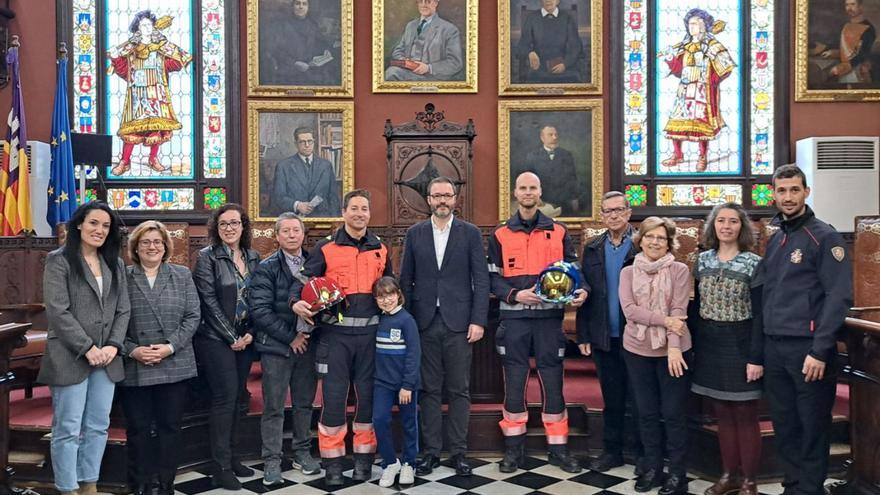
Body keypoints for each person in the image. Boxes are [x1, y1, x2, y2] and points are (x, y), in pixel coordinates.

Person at [759, 164, 852, 495]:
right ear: (773, 194)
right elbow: (768, 293)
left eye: (794, 190)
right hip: (775, 346)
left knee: (812, 426)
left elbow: (838, 297)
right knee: (785, 425)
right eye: (781, 190)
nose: (787, 197)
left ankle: (810, 490)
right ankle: (793, 485)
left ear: (806, 192)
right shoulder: (777, 237)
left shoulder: (824, 237)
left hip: (808, 349)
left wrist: (819, 349)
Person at [291, 189, 394, 486]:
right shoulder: (325, 248)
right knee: (334, 400)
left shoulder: (381, 249)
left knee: (367, 402)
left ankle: (364, 462)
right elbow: (300, 285)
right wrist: (294, 302)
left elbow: (392, 289)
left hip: (371, 338)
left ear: (369, 214)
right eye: (354, 208)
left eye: (364, 208)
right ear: (344, 212)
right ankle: (333, 464)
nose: (359, 213)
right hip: (334, 339)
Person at [488, 172, 587, 474]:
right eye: (523, 188)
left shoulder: (558, 231)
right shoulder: (500, 234)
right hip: (514, 320)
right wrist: (517, 294)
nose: (528, 192)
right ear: (515, 193)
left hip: (548, 320)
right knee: (514, 386)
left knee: (553, 384)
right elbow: (492, 277)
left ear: (540, 193)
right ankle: (513, 452)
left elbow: (573, 270)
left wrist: (581, 290)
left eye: (533, 188)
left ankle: (559, 450)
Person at [398, 176, 490, 477]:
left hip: (460, 324)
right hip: (423, 323)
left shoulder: (471, 233)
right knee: (429, 390)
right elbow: (405, 281)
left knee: (460, 389)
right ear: (428, 199)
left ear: (455, 199)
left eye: (447, 195)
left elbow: (482, 279)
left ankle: (459, 452)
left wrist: (478, 320)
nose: (442, 201)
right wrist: (407, 323)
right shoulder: (415, 233)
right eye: (437, 196)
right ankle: (431, 452)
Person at [38, 201, 131, 495]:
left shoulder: (114, 262)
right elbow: (57, 311)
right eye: (94, 223)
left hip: (107, 358)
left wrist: (114, 346)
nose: (100, 230)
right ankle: (67, 488)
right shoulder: (59, 260)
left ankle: (89, 483)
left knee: (98, 426)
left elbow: (123, 310)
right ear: (79, 224)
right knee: (67, 429)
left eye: (105, 226)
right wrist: (87, 346)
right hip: (70, 356)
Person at [119, 220, 201, 495]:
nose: (152, 247)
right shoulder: (122, 277)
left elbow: (193, 317)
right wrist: (131, 349)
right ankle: (141, 482)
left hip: (174, 363)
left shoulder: (181, 275)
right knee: (138, 428)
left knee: (170, 427)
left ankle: (165, 482)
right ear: (136, 247)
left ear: (166, 246)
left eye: (157, 242)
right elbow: (111, 321)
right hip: (135, 363)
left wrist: (169, 347)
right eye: (146, 242)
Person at [691, 203, 764, 495]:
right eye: (721, 220)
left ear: (741, 228)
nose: (726, 226)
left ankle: (749, 479)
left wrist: (756, 356)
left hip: (741, 342)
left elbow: (760, 314)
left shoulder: (754, 263)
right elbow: (695, 307)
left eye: (733, 221)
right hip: (710, 342)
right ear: (713, 226)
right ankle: (728, 474)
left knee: (745, 413)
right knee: (721, 412)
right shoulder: (702, 261)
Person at [619, 216, 692, 495]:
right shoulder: (628, 272)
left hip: (673, 352)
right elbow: (630, 311)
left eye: (661, 238)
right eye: (650, 236)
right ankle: (652, 468)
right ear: (641, 240)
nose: (654, 242)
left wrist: (673, 346)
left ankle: (677, 474)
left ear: (668, 242)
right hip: (637, 349)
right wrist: (664, 322)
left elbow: (679, 311)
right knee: (646, 413)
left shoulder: (679, 270)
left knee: (673, 414)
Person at [192, 203, 261, 490]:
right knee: (225, 397)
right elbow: (207, 301)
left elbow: (260, 298)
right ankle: (219, 465)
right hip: (215, 339)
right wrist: (231, 336)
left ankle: (232, 457)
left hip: (245, 339)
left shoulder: (254, 257)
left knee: (239, 399)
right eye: (224, 224)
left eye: (235, 223)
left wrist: (250, 334)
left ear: (243, 226)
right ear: (216, 229)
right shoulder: (207, 257)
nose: (230, 228)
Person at [248, 212, 321, 484]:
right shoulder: (267, 267)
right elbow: (261, 311)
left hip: (308, 346)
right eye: (286, 231)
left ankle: (302, 453)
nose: (292, 235)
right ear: (277, 236)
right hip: (277, 348)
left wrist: (309, 334)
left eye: (296, 230)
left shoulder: (314, 264)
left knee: (304, 403)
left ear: (303, 234)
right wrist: (291, 337)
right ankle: (272, 460)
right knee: (274, 407)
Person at [575, 191, 643, 473]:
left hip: (637, 337)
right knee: (611, 398)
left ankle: (642, 454)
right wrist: (584, 335)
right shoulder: (592, 247)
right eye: (608, 211)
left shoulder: (642, 245)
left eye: (619, 210)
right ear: (601, 216)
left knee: (640, 399)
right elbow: (585, 292)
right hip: (604, 335)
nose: (614, 215)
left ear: (628, 212)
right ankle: (612, 451)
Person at [107, 10, 192, 175]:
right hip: (137, 94)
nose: (146, 28)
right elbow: (124, 71)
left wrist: (174, 54)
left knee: (158, 127)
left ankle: (153, 159)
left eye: (149, 25)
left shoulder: (161, 46)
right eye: (143, 25)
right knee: (132, 128)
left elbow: (173, 64)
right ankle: (125, 161)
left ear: (154, 27)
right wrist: (117, 58)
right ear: (138, 28)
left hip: (157, 91)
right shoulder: (131, 50)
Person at [660, 8, 736, 172]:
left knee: (702, 123)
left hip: (703, 91)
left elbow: (726, 67)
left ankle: (702, 157)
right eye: (689, 23)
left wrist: (711, 81)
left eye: (695, 23)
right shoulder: (685, 47)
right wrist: (670, 58)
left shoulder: (713, 46)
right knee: (676, 121)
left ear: (704, 25)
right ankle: (678, 154)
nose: (691, 26)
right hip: (685, 90)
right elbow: (679, 70)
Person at [372, 277, 421, 488]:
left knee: (409, 423)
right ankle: (391, 462)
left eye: (390, 295)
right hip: (382, 383)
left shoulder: (406, 320)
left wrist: (408, 385)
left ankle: (410, 463)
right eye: (381, 297)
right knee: (380, 420)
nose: (386, 300)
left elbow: (414, 354)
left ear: (398, 294)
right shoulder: (379, 319)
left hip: (404, 385)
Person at [260, 0, 337, 86]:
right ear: (292, 6)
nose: (301, 7)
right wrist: (294, 63)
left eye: (304, 4)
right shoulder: (282, 25)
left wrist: (326, 51)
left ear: (308, 7)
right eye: (297, 3)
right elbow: (275, 50)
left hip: (310, 70)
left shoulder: (312, 25)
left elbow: (321, 43)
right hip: (288, 71)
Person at [384, 0, 464, 81]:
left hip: (433, 77)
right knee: (390, 73)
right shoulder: (411, 26)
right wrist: (405, 60)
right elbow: (398, 51)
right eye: (420, 1)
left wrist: (428, 68)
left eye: (428, 1)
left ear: (436, 3)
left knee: (392, 73)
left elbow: (455, 63)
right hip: (407, 72)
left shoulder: (449, 29)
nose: (423, 5)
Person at [270, 126, 341, 218]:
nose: (307, 145)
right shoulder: (283, 166)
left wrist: (335, 223)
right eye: (302, 142)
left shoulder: (326, 166)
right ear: (296, 144)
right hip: (294, 220)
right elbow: (278, 197)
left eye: (310, 141)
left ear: (314, 142)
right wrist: (297, 205)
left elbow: (333, 198)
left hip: (322, 220)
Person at [515, 0, 584, 83]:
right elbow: (522, 45)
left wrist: (565, 64)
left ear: (558, 1)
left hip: (564, 68)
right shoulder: (532, 18)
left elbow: (576, 47)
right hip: (539, 68)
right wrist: (530, 53)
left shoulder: (567, 18)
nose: (548, 0)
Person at [520, 125, 580, 217]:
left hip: (564, 202)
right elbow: (528, 181)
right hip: (543, 203)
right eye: (550, 135)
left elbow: (572, 178)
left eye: (556, 135)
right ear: (542, 138)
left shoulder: (566, 155)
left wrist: (575, 198)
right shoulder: (532, 156)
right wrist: (536, 197)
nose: (554, 138)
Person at [819, 0, 876, 84]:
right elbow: (847, 48)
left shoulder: (868, 28)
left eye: (853, 4)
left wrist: (841, 68)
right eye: (847, 5)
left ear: (860, 7)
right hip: (845, 71)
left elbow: (862, 55)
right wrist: (832, 52)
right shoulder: (846, 25)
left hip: (859, 71)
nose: (849, 8)